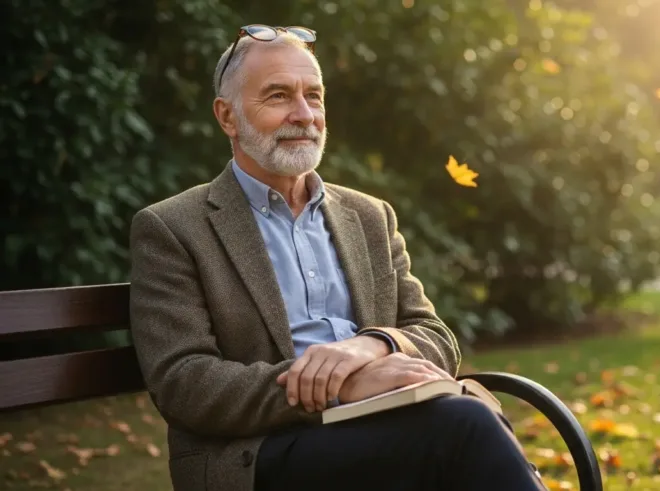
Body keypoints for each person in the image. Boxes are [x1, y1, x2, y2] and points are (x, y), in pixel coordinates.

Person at [128, 25, 546, 491]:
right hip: (261, 451)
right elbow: (185, 383)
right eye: (279, 96)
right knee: (466, 425)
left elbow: (435, 337)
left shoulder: (368, 216)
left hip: (390, 428)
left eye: (314, 96)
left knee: (464, 421)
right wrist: (340, 385)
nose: (304, 114)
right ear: (228, 116)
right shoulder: (174, 227)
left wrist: (370, 347)